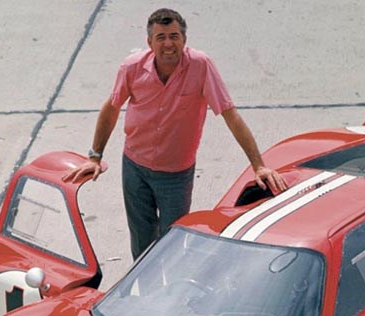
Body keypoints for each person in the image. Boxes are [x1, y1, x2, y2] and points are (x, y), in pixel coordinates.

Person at [64, 8, 287, 259]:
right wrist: (94, 156)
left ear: (184, 39)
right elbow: (112, 107)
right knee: (142, 245)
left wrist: (258, 166)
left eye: (174, 36)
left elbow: (230, 114)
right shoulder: (132, 68)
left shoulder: (201, 66)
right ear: (149, 43)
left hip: (176, 177)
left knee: (173, 246)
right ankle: (146, 296)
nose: (168, 44)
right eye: (161, 37)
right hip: (135, 168)